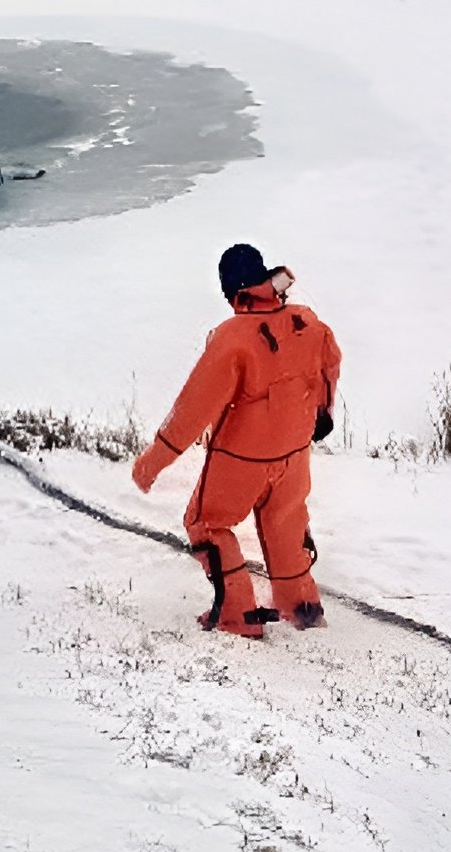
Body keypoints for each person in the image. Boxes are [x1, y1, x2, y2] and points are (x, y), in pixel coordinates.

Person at [132, 244, 342, 640]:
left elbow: (191, 410)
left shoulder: (232, 338)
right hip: (294, 455)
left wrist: (151, 465)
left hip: (241, 458)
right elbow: (331, 362)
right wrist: (323, 412)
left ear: (232, 290)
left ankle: (239, 616)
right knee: (285, 521)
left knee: (207, 523)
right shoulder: (308, 322)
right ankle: (303, 608)